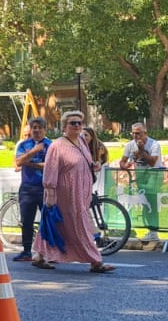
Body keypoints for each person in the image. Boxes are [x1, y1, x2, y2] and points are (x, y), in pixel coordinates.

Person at [32, 112, 114, 274]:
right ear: (64, 127)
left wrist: (94, 164)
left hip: (82, 192)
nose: (77, 126)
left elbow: (86, 161)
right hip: (66, 194)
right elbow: (50, 171)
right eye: (73, 123)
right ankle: (95, 261)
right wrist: (50, 193)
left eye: (79, 123)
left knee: (56, 224)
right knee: (80, 225)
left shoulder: (82, 141)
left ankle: (39, 256)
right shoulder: (57, 146)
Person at [10, 117, 50, 261]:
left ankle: (48, 251)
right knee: (26, 221)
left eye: (40, 127)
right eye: (34, 127)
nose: (37, 130)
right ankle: (27, 250)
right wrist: (34, 151)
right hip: (27, 188)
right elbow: (19, 162)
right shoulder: (24, 144)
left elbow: (51, 165)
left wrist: (31, 163)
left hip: (45, 187)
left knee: (48, 220)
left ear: (45, 129)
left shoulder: (50, 145)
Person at [118, 122, 164, 243]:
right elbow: (122, 161)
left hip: (153, 175)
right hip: (140, 175)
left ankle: (154, 231)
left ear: (145, 133)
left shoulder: (154, 144)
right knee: (144, 202)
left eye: (138, 133)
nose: (135, 136)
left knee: (152, 203)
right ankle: (150, 229)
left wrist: (142, 150)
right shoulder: (129, 145)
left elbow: (153, 162)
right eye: (133, 133)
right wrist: (125, 165)